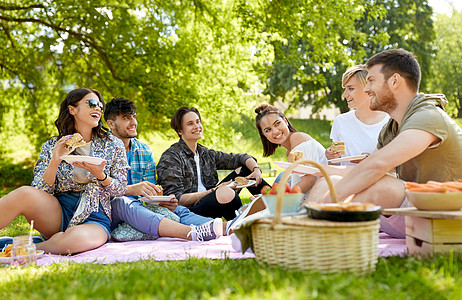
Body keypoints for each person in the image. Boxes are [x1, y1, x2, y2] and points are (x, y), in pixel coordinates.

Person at [305, 49, 462, 238]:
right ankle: (306, 235)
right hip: (416, 210)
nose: (366, 88)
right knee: (327, 182)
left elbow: (378, 165)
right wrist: (321, 170)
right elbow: (362, 169)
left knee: (383, 185)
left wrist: (323, 205)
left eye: (371, 80)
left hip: (449, 214)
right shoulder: (390, 128)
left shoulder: (428, 116)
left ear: (395, 81)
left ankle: (308, 228)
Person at [0, 88, 129, 254]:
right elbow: (39, 191)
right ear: (72, 109)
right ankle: (50, 241)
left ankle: (16, 248)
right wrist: (55, 160)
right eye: (91, 104)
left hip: (95, 215)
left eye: (100, 105)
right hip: (58, 211)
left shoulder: (113, 144)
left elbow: (120, 189)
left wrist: (101, 176)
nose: (98, 108)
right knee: (24, 193)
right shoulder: (53, 146)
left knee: (73, 242)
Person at [104, 98, 223, 241]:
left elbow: (150, 193)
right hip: (112, 211)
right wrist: (129, 190)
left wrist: (161, 202)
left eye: (133, 116)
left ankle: (225, 228)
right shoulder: (101, 149)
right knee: (122, 202)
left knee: (178, 210)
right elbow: (97, 192)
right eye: (125, 118)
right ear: (110, 123)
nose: (133, 122)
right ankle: (191, 233)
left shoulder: (143, 150)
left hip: (143, 210)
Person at [157, 107, 269, 221]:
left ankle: (276, 203)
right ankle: (243, 221)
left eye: (198, 122)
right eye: (190, 124)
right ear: (179, 130)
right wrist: (213, 191)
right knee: (225, 192)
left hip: (214, 199)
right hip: (190, 211)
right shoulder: (171, 157)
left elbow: (241, 158)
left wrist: (256, 169)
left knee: (246, 169)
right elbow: (176, 199)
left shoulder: (205, 153)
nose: (197, 126)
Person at [254, 104, 328, 193]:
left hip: (324, 194)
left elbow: (310, 179)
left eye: (277, 124)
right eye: (268, 130)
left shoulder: (298, 138)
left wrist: (280, 198)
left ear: (285, 121)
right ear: (264, 135)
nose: (275, 131)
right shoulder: (289, 152)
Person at [326, 65, 389, 165]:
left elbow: (401, 167)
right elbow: (335, 167)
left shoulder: (390, 122)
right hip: (344, 178)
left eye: (350, 89)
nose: (344, 95)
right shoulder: (341, 121)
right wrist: (331, 157)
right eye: (345, 89)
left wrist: (372, 162)